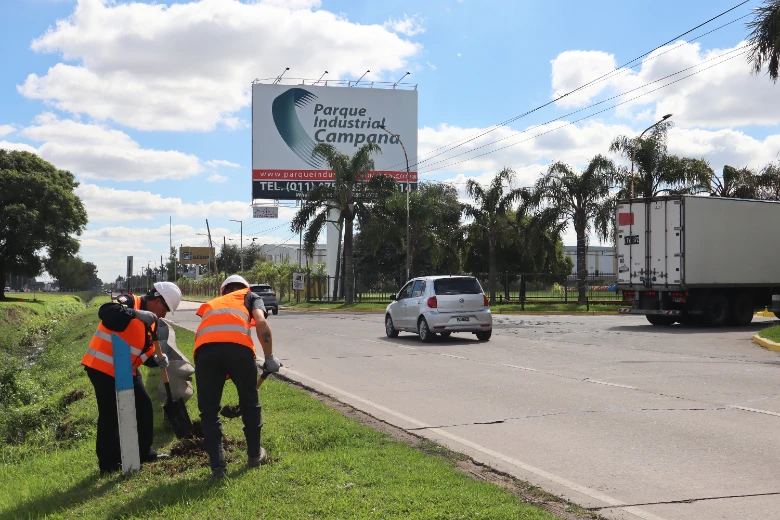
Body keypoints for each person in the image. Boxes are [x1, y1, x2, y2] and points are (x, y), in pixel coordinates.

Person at [82, 281, 182, 475]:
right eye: (165, 309)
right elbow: (106, 311)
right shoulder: (129, 302)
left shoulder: (151, 322)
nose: (164, 315)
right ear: (156, 299)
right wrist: (136, 314)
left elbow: (144, 354)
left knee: (144, 407)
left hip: (127, 370)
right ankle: (108, 464)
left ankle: (144, 453)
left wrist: (158, 360)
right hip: (102, 368)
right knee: (110, 414)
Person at [194, 274, 280, 479]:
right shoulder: (250, 296)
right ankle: (254, 456)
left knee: (208, 411)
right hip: (239, 350)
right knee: (250, 402)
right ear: (245, 288)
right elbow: (260, 321)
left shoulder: (212, 303)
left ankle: (217, 468)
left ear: (223, 291)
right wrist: (269, 357)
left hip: (204, 353)